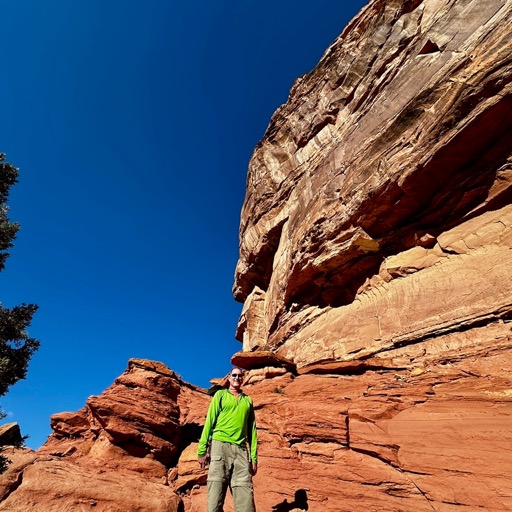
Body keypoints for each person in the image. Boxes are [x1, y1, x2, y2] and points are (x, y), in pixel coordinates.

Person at [197, 367, 257, 512]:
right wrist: (202, 449)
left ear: (243, 379)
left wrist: (254, 458)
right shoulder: (220, 395)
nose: (237, 378)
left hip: (241, 451)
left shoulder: (247, 401)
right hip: (220, 446)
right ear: (229, 378)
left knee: (246, 499)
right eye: (234, 375)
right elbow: (210, 422)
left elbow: (252, 430)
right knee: (215, 496)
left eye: (240, 376)